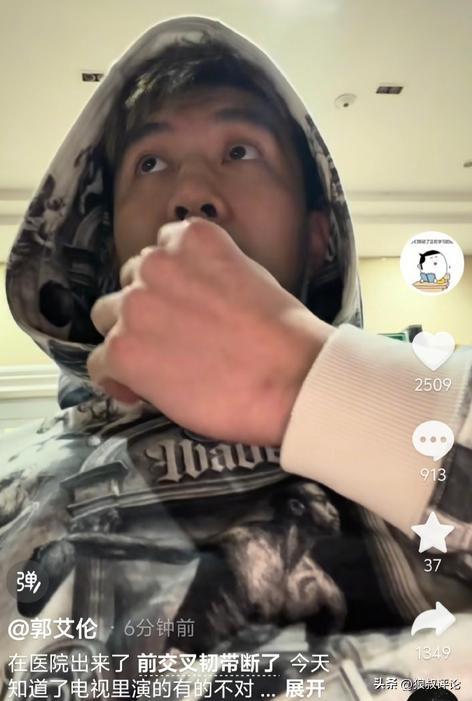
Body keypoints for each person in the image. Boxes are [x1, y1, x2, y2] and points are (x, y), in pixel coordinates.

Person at [2, 16, 471, 699]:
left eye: (241, 151)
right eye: (150, 162)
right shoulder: (12, 481)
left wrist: (315, 383)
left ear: (318, 236)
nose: (190, 194)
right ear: (106, 245)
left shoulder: (442, 393)